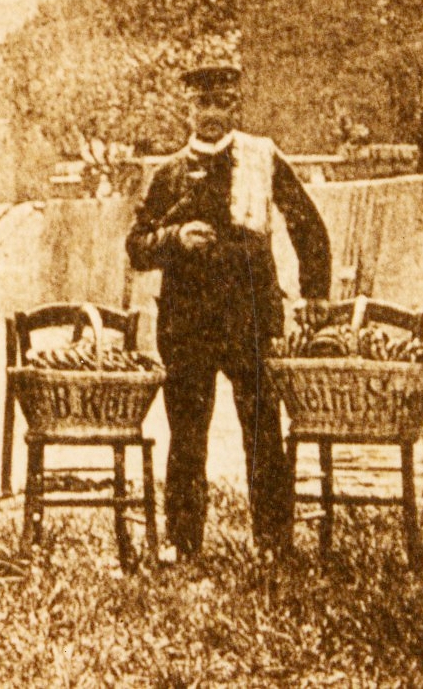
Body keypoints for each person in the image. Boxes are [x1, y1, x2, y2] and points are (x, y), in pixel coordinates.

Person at [127, 62, 331, 560]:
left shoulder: (262, 158)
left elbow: (306, 222)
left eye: (222, 104)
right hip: (187, 321)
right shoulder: (169, 173)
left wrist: (315, 293)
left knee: (263, 427)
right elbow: (136, 247)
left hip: (252, 316)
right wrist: (175, 238)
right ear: (188, 109)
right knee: (187, 433)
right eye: (203, 105)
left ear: (235, 107)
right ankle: (183, 541)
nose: (212, 114)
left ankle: (273, 540)